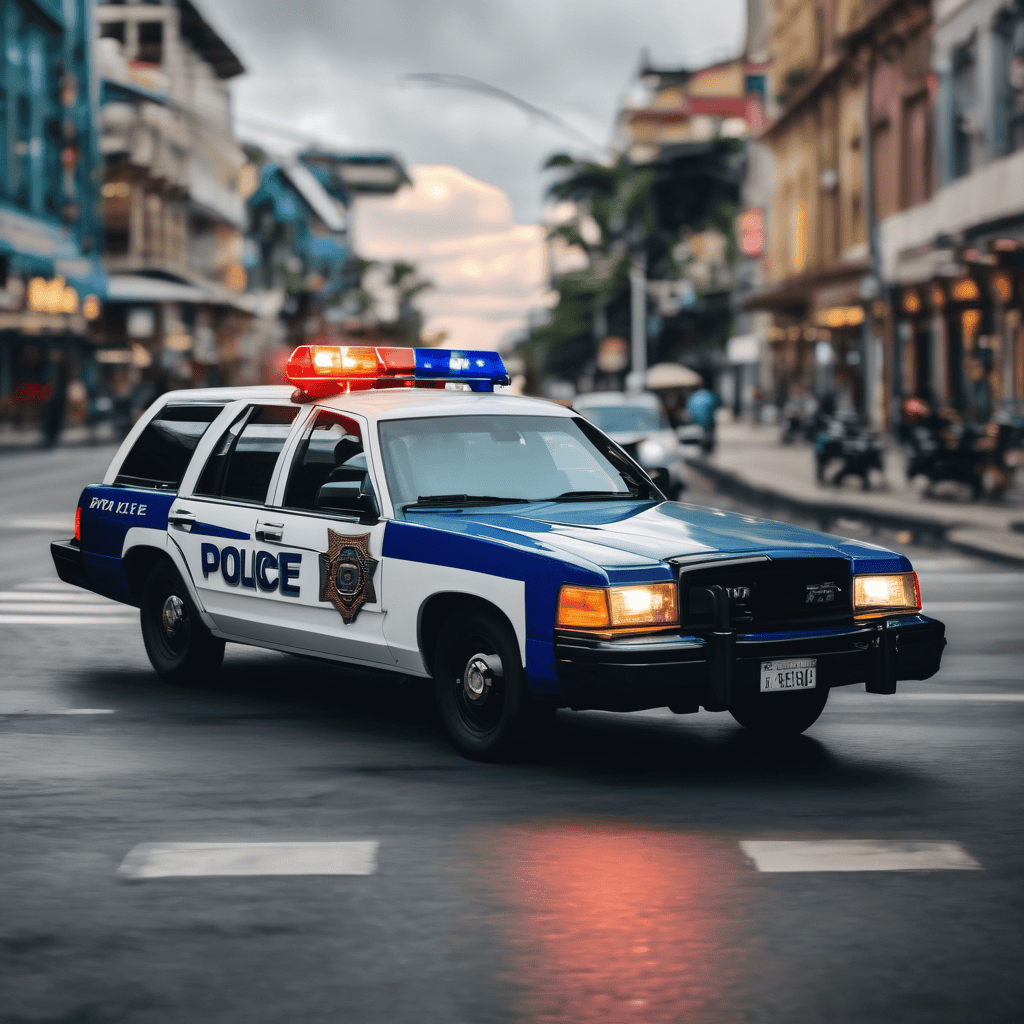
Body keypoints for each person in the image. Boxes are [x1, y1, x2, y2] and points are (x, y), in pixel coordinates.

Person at [687, 380, 720, 454]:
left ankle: (703, 450)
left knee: (700, 438)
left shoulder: (692, 397)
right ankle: (709, 451)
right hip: (709, 421)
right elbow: (717, 406)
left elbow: (689, 411)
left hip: (697, 422)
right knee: (709, 438)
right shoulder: (709, 395)